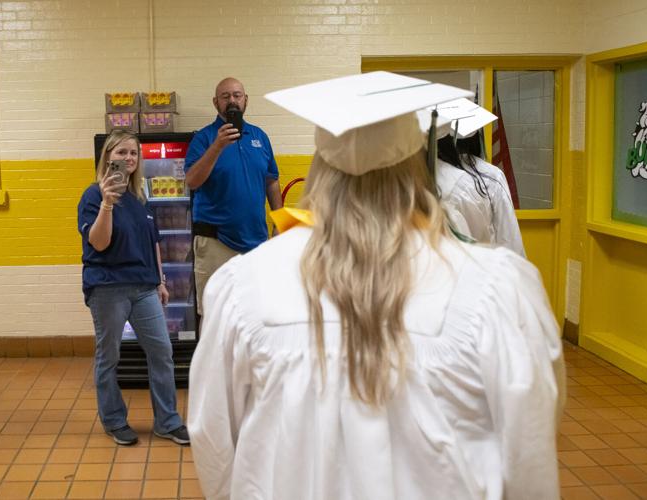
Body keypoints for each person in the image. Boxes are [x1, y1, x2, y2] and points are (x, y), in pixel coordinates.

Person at [188, 72, 564, 499]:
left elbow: (213, 441)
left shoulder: (244, 288)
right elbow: (528, 456)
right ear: (417, 166)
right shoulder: (494, 287)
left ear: (320, 167)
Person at [78, 129, 189, 446]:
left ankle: (167, 421)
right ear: (108, 156)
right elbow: (99, 243)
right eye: (121, 152)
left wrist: (161, 280)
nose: (128, 158)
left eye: (133, 153)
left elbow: (153, 241)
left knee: (162, 352)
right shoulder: (93, 196)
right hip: (108, 289)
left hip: (144, 288)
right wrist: (107, 205)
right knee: (108, 357)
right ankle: (114, 420)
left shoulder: (140, 198)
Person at [184, 77, 282, 314]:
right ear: (215, 102)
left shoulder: (260, 137)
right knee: (215, 315)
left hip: (256, 242)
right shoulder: (204, 138)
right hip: (216, 242)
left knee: (255, 312)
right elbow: (192, 181)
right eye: (225, 96)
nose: (232, 101)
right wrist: (217, 146)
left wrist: (280, 222)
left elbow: (272, 181)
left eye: (237, 95)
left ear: (246, 100)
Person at [434, 100, 525, 255]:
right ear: (477, 138)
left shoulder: (432, 173)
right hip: (483, 262)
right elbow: (508, 237)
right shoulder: (491, 176)